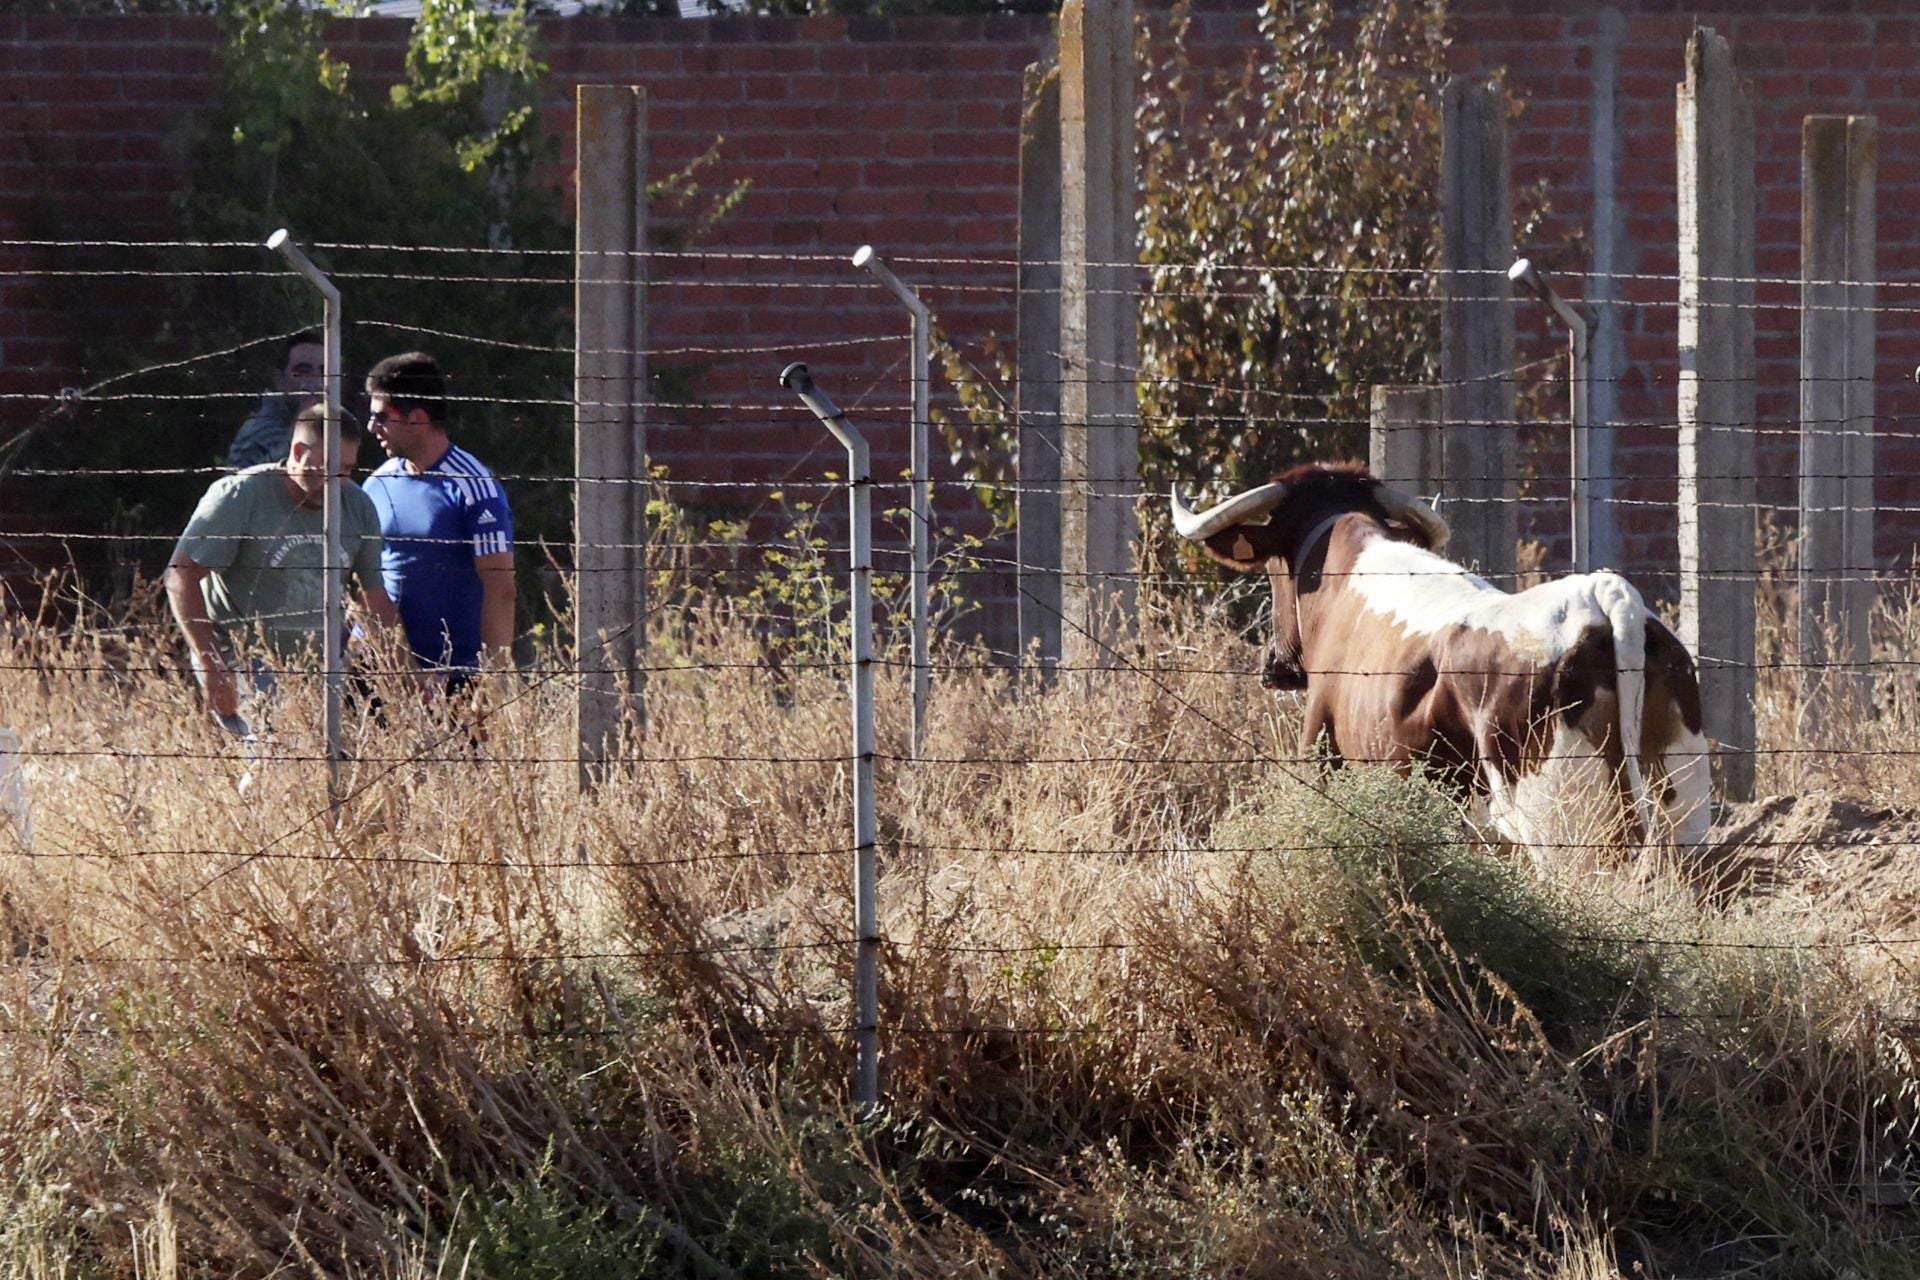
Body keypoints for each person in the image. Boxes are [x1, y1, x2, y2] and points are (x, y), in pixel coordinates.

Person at [168, 403, 399, 724]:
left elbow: (373, 599)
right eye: (331, 467)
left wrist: (405, 675)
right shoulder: (241, 496)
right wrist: (211, 663)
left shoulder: (357, 506)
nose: (340, 480)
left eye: (347, 469)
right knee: (279, 751)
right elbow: (181, 575)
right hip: (247, 659)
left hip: (321, 665)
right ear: (299, 450)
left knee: (340, 758)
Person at [361, 352, 515, 685]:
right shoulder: (375, 486)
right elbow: (361, 582)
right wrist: (399, 666)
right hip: (386, 672)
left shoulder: (475, 487)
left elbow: (500, 588)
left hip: (458, 677)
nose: (372, 426)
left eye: (382, 417)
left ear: (416, 418)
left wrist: (491, 681)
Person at [226, 332, 326, 470]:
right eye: (303, 372)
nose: (316, 381)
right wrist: (302, 423)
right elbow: (258, 484)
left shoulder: (333, 426)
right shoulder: (258, 430)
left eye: (324, 372)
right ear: (279, 379)